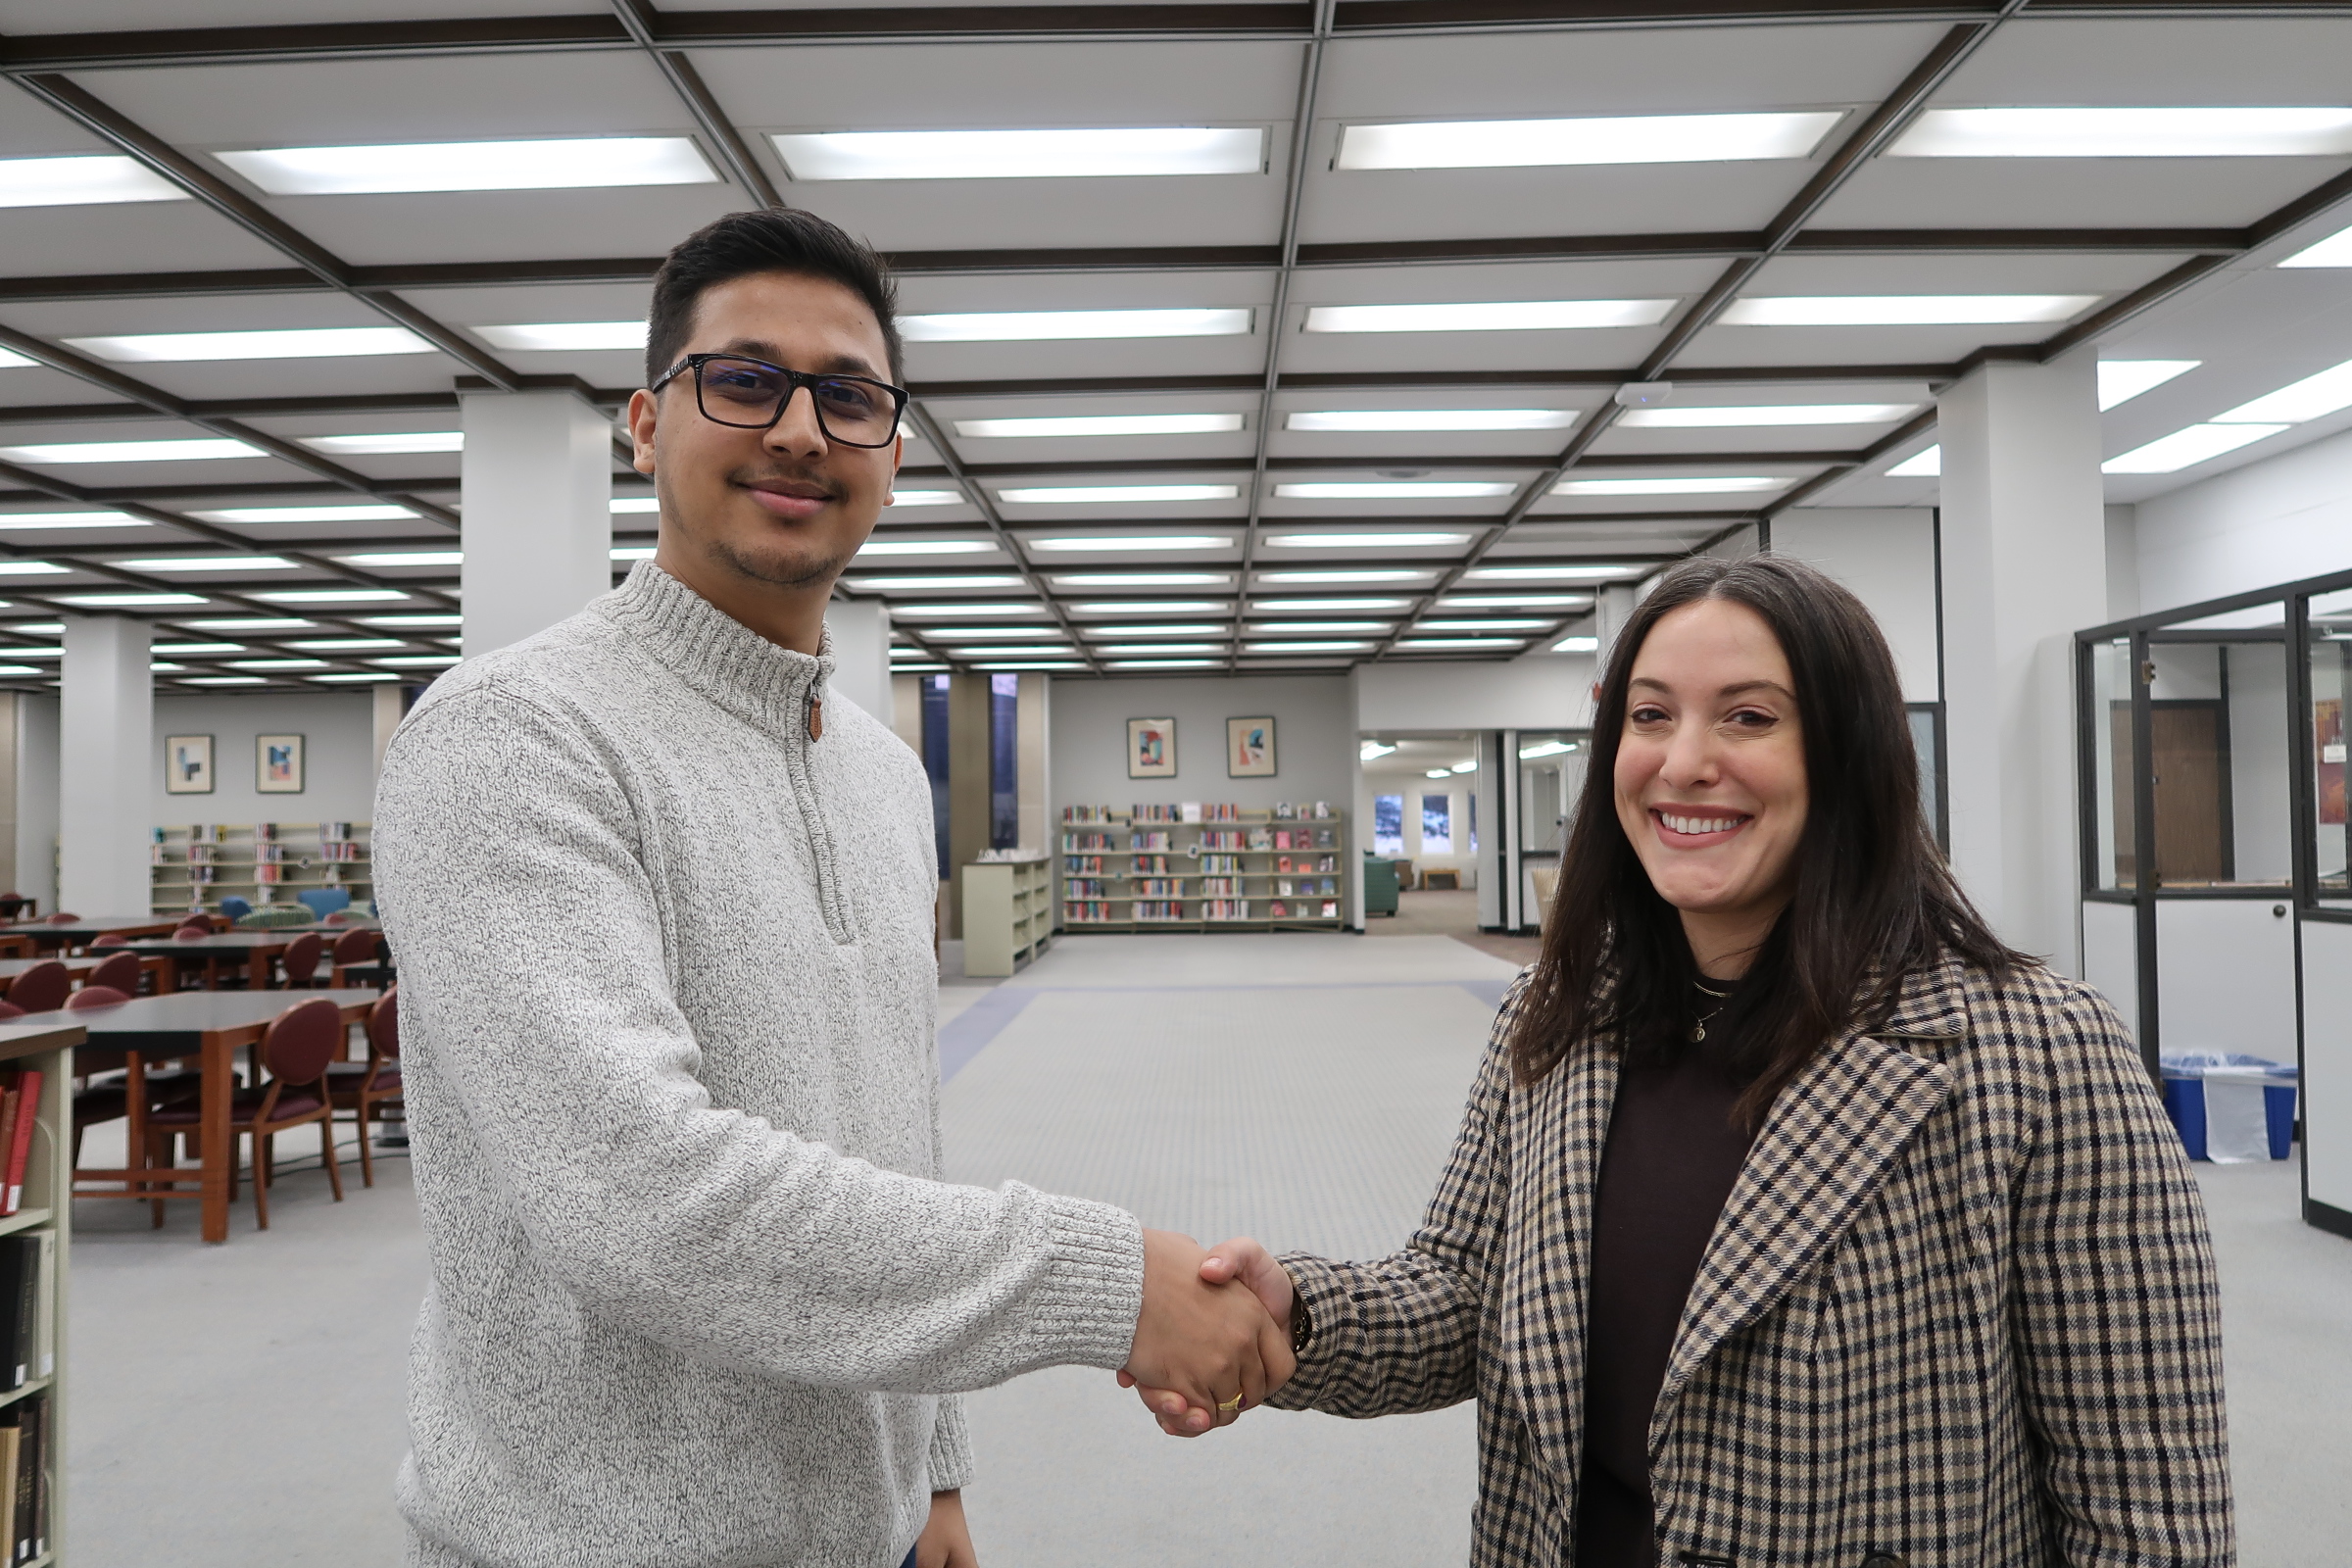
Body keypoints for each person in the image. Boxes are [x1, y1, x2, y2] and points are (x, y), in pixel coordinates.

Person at [373, 208, 1290, 1568]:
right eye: (744, 380)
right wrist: (1112, 1286)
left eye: (848, 397)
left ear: (894, 455)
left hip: (860, 1536)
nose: (800, 429)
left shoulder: (876, 776)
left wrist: (932, 1470)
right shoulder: (510, 737)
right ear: (643, 422)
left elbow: (888, 1140)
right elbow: (638, 1195)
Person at [1127, 556, 2233, 1566]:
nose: (1684, 761)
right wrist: (1292, 1316)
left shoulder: (2038, 1055)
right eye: (1649, 716)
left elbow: (2148, 1503)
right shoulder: (1556, 1020)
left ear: (1847, 757)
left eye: (1749, 717)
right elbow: (1466, 1292)